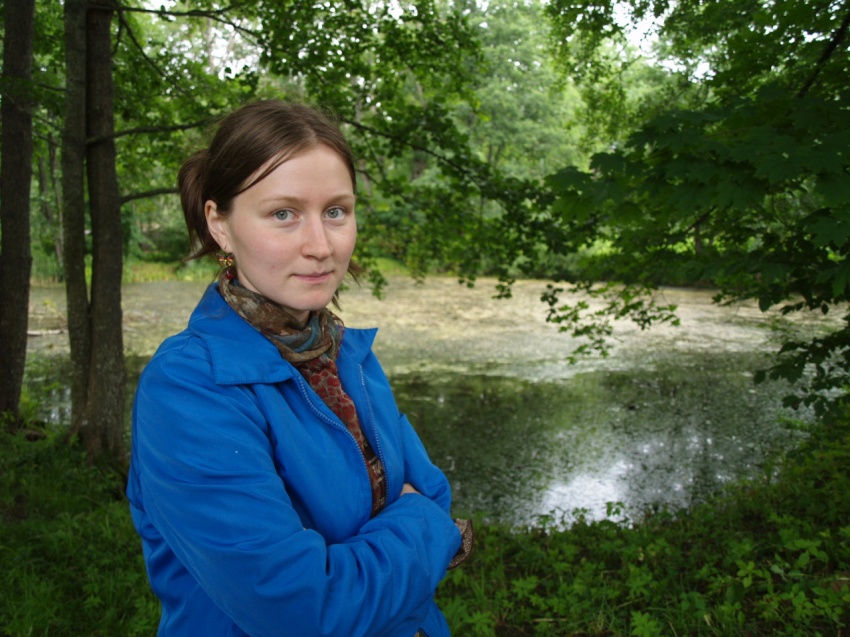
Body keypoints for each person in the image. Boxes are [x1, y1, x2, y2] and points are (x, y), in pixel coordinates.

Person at [126, 100, 472, 637]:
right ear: (220, 224)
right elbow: (303, 612)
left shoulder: (343, 352)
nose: (320, 246)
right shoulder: (190, 387)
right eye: (283, 214)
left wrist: (408, 528)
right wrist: (423, 528)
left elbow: (430, 487)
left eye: (336, 211)